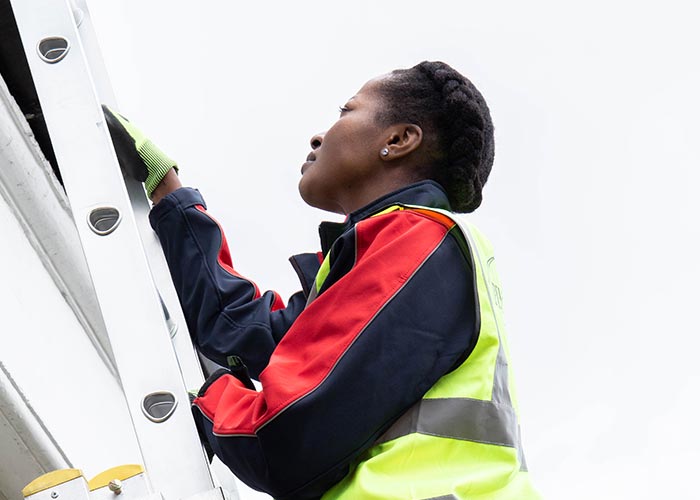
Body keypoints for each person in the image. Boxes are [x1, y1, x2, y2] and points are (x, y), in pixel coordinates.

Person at [104, 61, 541, 500]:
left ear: (398, 140)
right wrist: (167, 188)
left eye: (346, 111)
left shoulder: (421, 240)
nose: (318, 137)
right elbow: (243, 331)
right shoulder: (386, 254)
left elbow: (286, 438)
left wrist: (202, 400)